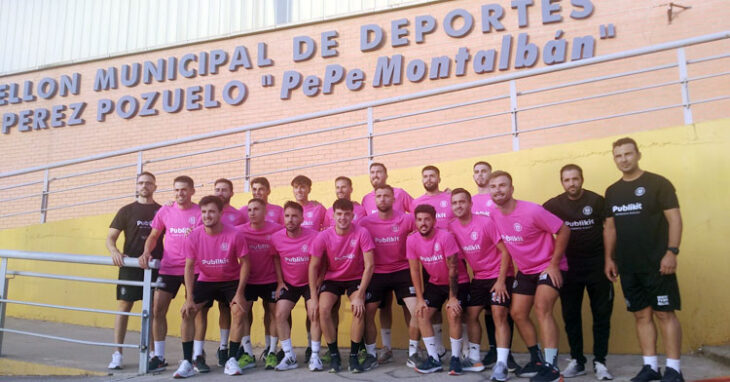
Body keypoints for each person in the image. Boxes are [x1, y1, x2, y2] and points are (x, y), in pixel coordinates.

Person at [604, 137, 684, 382]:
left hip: (658, 264)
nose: (623, 159)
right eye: (618, 156)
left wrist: (672, 251)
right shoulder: (613, 191)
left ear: (638, 154)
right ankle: (650, 367)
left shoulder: (658, 183)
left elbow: (675, 219)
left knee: (664, 314)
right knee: (641, 316)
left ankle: (674, 369)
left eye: (628, 154)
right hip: (628, 266)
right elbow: (611, 228)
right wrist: (609, 258)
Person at [487, 171, 570, 382]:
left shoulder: (532, 210)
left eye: (502, 185)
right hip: (526, 271)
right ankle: (537, 360)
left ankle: (552, 369)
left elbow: (564, 230)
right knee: (517, 313)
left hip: (548, 266)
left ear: (511, 189)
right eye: (494, 186)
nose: (498, 190)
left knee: (542, 308)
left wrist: (553, 265)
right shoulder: (494, 215)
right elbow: (505, 247)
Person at [543, 164, 614, 380]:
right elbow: (536, 223)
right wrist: (548, 260)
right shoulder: (554, 204)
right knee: (570, 315)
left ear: (582, 179)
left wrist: (611, 259)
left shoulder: (596, 201)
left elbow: (610, 229)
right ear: (562, 182)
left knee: (601, 315)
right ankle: (577, 361)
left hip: (598, 265)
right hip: (569, 267)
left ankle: (600, 362)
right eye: (567, 180)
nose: (571, 183)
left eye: (575, 179)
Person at [176, 195, 251, 377]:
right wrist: (189, 298)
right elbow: (189, 266)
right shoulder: (194, 236)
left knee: (239, 311)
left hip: (230, 281)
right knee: (188, 312)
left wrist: (240, 293)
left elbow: (246, 263)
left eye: (211, 211)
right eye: (203, 212)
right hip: (206, 280)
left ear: (220, 213)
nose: (207, 215)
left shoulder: (234, 234)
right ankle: (188, 361)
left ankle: (231, 359)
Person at [448, 188, 515, 380]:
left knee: (498, 314)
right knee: (471, 314)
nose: (458, 206)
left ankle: (501, 364)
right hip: (479, 277)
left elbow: (505, 252)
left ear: (470, 204)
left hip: (499, 275)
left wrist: (502, 281)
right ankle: (475, 358)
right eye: (454, 203)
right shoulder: (452, 227)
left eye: (462, 202)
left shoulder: (485, 222)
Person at [139, 175, 201, 372]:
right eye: (176, 190)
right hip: (169, 268)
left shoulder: (200, 212)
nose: (179, 193)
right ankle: (159, 356)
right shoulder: (165, 211)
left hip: (193, 268)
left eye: (183, 189)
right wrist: (147, 252)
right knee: (158, 310)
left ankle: (190, 358)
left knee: (190, 312)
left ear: (192, 191)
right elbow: (154, 235)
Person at [309, 198, 376, 373]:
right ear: (333, 216)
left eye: (347, 214)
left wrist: (360, 294)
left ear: (352, 215)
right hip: (332, 279)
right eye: (339, 214)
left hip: (355, 278)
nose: (343, 218)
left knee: (358, 309)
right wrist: (313, 298)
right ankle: (334, 356)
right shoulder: (323, 236)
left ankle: (353, 357)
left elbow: (370, 265)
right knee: (323, 310)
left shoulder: (362, 232)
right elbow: (313, 266)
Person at [106, 171, 163, 370]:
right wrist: (114, 251)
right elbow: (111, 237)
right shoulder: (126, 211)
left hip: (154, 267)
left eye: (148, 183)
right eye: (141, 183)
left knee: (155, 311)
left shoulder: (162, 211)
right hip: (130, 267)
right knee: (124, 307)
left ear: (155, 187)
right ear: (136, 186)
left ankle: (155, 354)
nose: (144, 186)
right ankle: (117, 354)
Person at [358, 184, 419, 367]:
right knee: (368, 312)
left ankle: (414, 351)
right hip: (377, 272)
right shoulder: (365, 222)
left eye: (386, 196)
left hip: (402, 270)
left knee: (416, 310)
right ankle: (374, 353)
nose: (382, 199)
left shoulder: (407, 219)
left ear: (394, 199)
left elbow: (426, 229)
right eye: (379, 196)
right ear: (374, 200)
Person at [407, 204, 470, 375]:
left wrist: (452, 297)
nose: (423, 223)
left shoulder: (445, 237)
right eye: (419, 220)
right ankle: (434, 359)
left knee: (453, 312)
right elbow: (414, 271)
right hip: (435, 283)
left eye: (427, 219)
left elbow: (454, 269)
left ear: (434, 220)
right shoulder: (411, 240)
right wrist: (420, 299)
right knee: (421, 313)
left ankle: (455, 359)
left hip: (457, 282)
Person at [471, 161, 519, 371]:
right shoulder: (470, 201)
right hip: (480, 271)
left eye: (484, 171)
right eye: (477, 172)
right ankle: (493, 350)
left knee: (502, 312)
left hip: (502, 266)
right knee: (488, 312)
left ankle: (506, 357)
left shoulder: (497, 201)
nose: (480, 175)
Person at [271, 201, 322, 371]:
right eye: (287, 216)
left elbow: (325, 262)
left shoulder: (314, 236)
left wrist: (317, 285)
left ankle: (315, 356)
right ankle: (289, 356)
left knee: (314, 313)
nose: (290, 219)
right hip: (289, 284)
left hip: (310, 283)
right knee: (279, 314)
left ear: (302, 218)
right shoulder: (276, 238)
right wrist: (280, 281)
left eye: (294, 216)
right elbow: (276, 257)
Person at [235, 198, 283, 370]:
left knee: (272, 314)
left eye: (256, 209)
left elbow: (297, 232)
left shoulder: (277, 229)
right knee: (243, 313)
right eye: (249, 210)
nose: (252, 213)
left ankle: (271, 351)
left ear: (265, 212)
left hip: (271, 279)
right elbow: (220, 231)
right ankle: (248, 353)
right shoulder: (239, 231)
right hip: (248, 280)